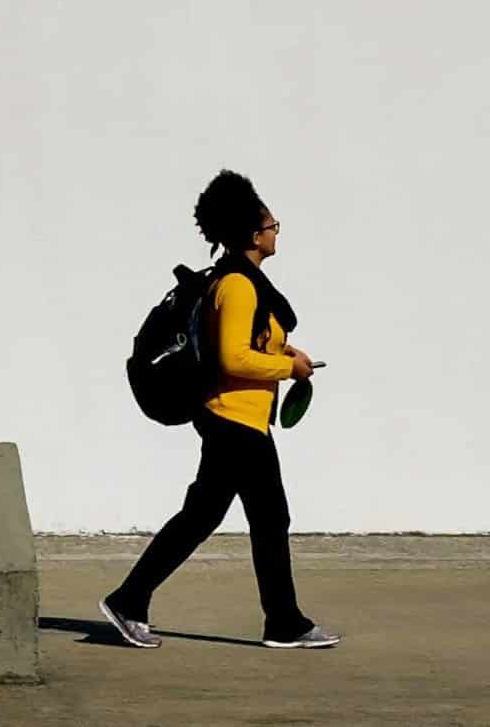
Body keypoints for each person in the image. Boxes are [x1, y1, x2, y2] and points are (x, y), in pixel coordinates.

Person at [99, 170, 341, 649]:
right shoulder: (237, 286)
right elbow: (231, 357)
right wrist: (286, 371)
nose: (275, 233)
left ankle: (135, 599)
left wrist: (288, 355)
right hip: (233, 420)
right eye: (273, 226)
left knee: (224, 516)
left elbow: (250, 345)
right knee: (251, 518)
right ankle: (279, 621)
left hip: (242, 420)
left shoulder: (244, 282)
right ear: (253, 235)